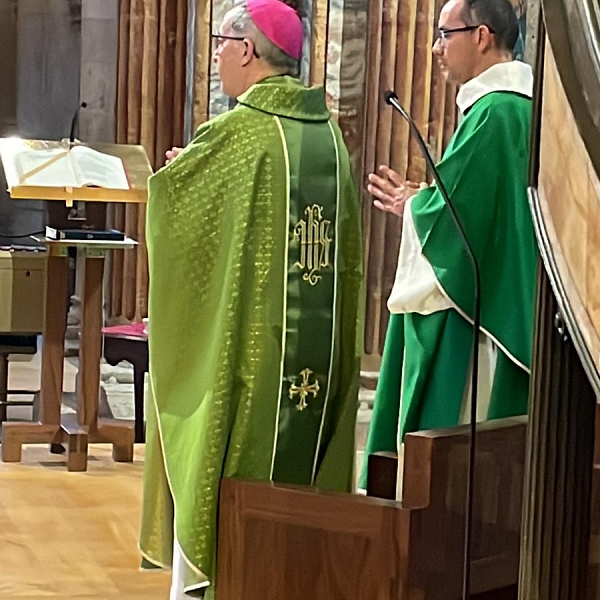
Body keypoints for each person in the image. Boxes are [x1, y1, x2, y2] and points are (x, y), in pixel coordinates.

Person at [139, 0, 363, 597]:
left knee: (235, 468)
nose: (215, 56)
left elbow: (183, 224)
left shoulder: (238, 136)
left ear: (245, 50)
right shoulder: (329, 138)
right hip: (317, 365)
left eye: (219, 43)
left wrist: (180, 178)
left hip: (255, 367)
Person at [361, 0, 537, 490]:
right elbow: (483, 203)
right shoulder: (516, 105)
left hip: (480, 320)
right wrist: (427, 199)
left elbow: (462, 220)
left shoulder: (496, 111)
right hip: (502, 299)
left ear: (481, 36)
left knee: (459, 459)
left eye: (445, 34)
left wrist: (414, 209)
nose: (435, 48)